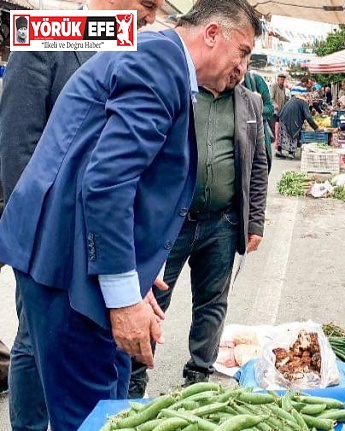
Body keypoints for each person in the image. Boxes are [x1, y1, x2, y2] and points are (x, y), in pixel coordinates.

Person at [0, 0, 261, 429]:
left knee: (109, 400)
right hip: (62, 250)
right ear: (212, 33)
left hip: (81, 246)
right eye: (146, 4)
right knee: (72, 394)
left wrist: (130, 269)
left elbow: (121, 162)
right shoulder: (100, 39)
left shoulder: (143, 43)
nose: (154, 11)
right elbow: (44, 152)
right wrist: (120, 290)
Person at [0, 0, 163, 429]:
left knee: (90, 346)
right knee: (36, 344)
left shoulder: (131, 45)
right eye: (149, 3)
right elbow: (18, 146)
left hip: (97, 237)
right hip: (45, 236)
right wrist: (35, 240)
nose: (154, 14)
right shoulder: (47, 31)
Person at [129, 62, 268, 398]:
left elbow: (259, 162)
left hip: (222, 222)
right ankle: (133, 381)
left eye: (246, 57)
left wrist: (255, 220)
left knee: (212, 304)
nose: (240, 66)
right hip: (170, 225)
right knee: (149, 301)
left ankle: (198, 377)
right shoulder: (180, 91)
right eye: (238, 54)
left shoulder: (250, 102)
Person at [243, 70, 275, 173]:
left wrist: (255, 105)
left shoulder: (256, 80)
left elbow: (269, 109)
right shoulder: (221, 81)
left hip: (255, 144)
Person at [276, 94, 321, 159]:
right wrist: (316, 127)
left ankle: (279, 151)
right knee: (292, 134)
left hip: (283, 116)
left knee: (283, 134)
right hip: (291, 118)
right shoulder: (304, 102)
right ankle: (290, 153)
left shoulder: (296, 98)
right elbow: (308, 117)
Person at [269, 73, 288, 156]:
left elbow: (284, 99)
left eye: (283, 79)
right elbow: (271, 98)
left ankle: (279, 149)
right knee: (276, 131)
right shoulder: (274, 86)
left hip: (281, 112)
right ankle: (277, 149)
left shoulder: (283, 88)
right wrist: (275, 105)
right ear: (278, 79)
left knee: (280, 130)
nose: (282, 81)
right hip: (275, 112)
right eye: (281, 79)